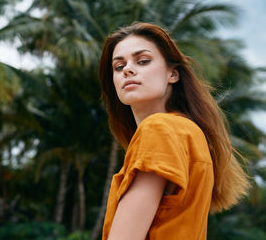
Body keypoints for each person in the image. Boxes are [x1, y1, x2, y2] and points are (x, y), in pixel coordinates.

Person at [98, 22, 250, 240]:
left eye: (143, 61)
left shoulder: (159, 129)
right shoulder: (190, 133)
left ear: (173, 74)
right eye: (119, 66)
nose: (128, 69)